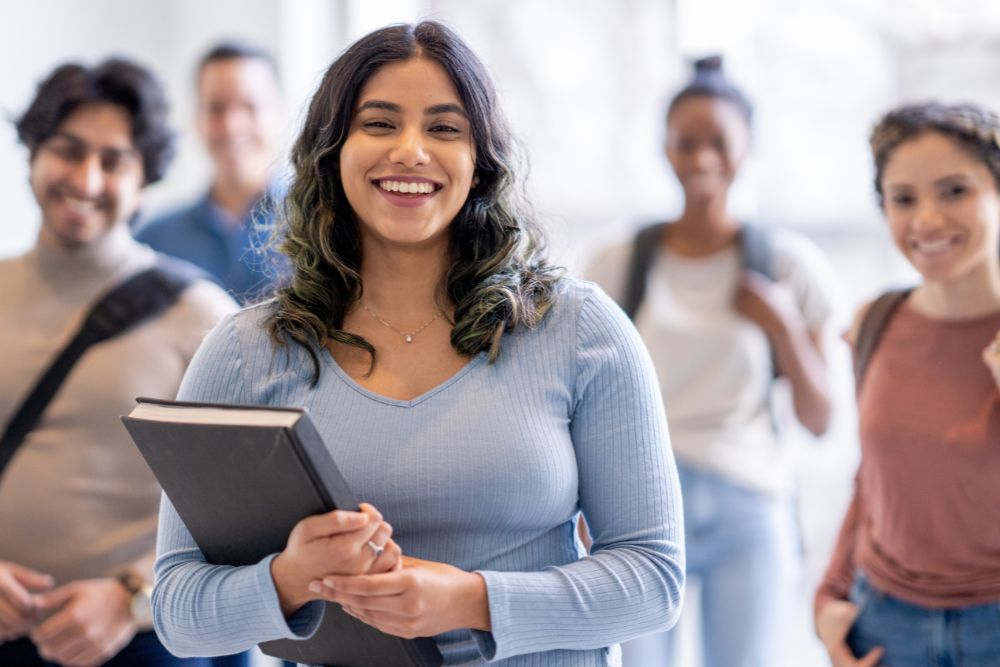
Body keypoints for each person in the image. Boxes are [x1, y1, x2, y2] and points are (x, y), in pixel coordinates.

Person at [151, 20, 685, 666]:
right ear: (331, 150)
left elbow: (654, 580)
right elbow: (177, 609)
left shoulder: (582, 331)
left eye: (444, 127)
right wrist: (291, 578)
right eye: (379, 123)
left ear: (481, 159)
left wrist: (472, 599)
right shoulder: (246, 351)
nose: (410, 150)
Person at [587, 56, 835, 667]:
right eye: (686, 143)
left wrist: (780, 322)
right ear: (664, 150)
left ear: (747, 147)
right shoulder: (618, 262)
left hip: (749, 501)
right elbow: (579, 398)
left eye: (718, 142)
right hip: (638, 501)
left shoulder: (787, 265)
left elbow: (820, 417)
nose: (701, 159)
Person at [0, 59, 236, 666]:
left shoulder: (200, 315)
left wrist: (134, 595)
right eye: (67, 150)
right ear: (32, 152)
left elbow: (247, 508)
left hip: (140, 641)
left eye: (114, 161)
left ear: (145, 177)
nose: (86, 178)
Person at [815, 102, 1000, 667]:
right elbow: (873, 479)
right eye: (903, 199)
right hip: (885, 626)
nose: (926, 221)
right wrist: (827, 598)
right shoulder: (875, 322)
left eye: (954, 191)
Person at [135, 41, 286, 305]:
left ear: (278, 114)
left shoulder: (325, 229)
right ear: (197, 117)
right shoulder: (153, 243)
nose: (232, 126)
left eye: (249, 106)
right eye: (216, 108)